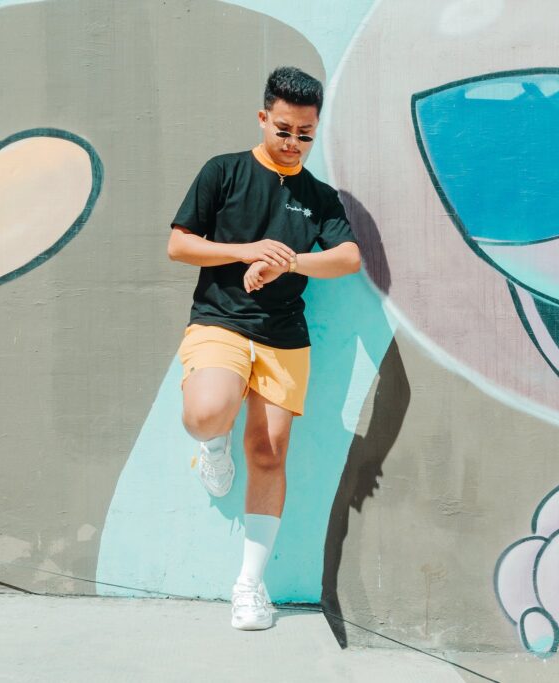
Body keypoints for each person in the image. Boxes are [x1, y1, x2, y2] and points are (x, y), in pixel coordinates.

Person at [167, 66, 361, 630]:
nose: (293, 143)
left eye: (305, 134)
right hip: (221, 322)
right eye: (284, 130)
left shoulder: (319, 197)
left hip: (284, 336)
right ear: (263, 118)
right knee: (206, 412)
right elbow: (179, 245)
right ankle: (212, 447)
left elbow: (347, 258)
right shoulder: (223, 172)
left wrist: (288, 261)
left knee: (270, 453)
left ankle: (250, 585)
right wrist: (247, 250)